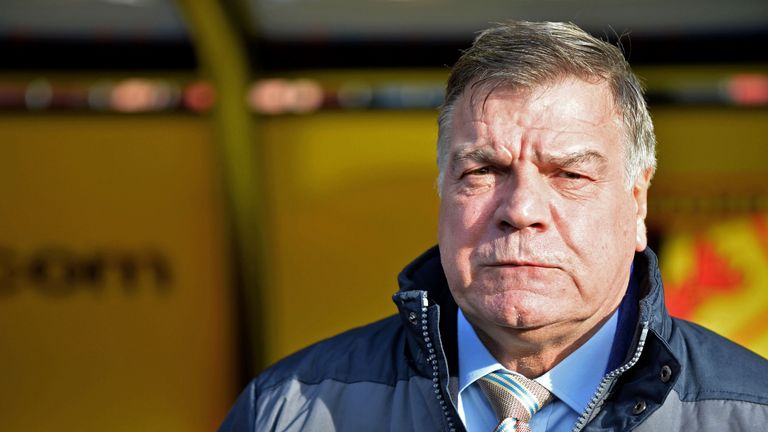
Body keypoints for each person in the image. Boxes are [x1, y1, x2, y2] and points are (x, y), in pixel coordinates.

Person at [219, 21, 768, 431]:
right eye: (483, 170)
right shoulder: (288, 409)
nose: (522, 207)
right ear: (442, 190)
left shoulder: (749, 412)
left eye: (570, 173)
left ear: (637, 201)